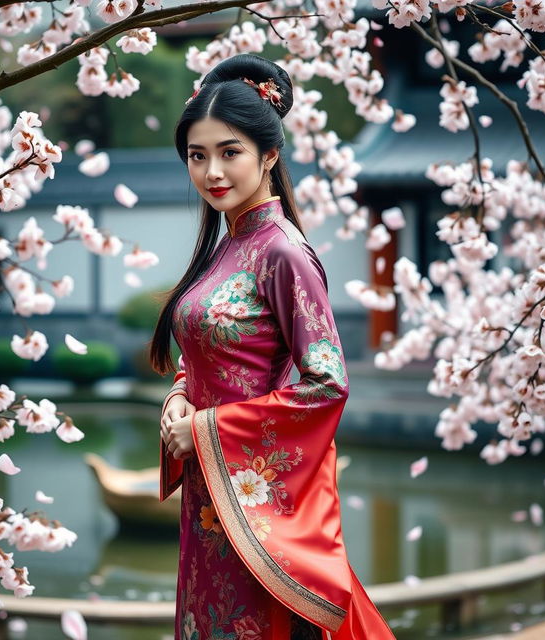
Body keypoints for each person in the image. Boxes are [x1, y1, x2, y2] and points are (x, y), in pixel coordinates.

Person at [150, 53, 395, 640]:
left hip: (255, 507)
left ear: (270, 155)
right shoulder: (229, 243)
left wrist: (205, 429)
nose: (212, 172)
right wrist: (181, 397)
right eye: (197, 155)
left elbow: (327, 384)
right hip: (213, 496)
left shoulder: (283, 253)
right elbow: (209, 351)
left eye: (229, 152)